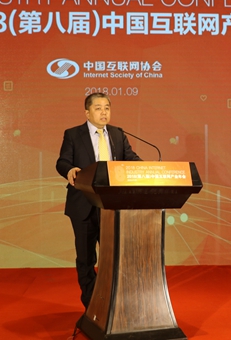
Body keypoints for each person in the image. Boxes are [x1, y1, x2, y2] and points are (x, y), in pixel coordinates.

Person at [56, 92, 141, 308]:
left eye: (107, 108)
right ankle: (92, 303)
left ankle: (112, 301)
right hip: (83, 204)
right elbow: (62, 161)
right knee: (86, 258)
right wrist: (70, 169)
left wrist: (147, 169)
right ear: (87, 112)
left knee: (113, 257)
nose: (104, 112)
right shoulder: (73, 134)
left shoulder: (117, 134)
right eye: (98, 108)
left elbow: (131, 159)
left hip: (112, 206)